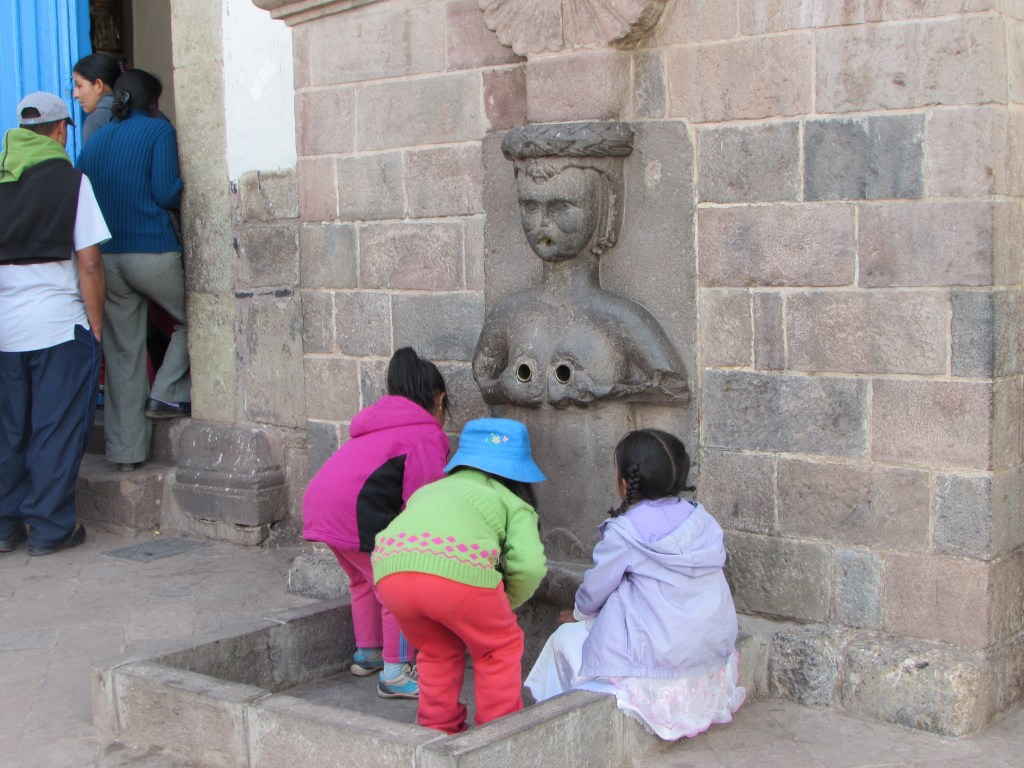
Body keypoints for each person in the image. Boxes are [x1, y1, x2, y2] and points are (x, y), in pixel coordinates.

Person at [525, 429, 744, 740]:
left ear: (625, 483)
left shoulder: (625, 532)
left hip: (660, 662)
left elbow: (595, 590)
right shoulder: (702, 519)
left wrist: (578, 613)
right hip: (710, 650)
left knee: (564, 641)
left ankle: (554, 736)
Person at [372, 417, 548, 734]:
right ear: (519, 474)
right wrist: (507, 600)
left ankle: (437, 732)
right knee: (499, 648)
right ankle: (496, 737)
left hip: (389, 568)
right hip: (457, 570)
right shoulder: (512, 502)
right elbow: (531, 565)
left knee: (437, 651)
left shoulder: (431, 491)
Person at [302, 347, 450, 699]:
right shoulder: (426, 434)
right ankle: (397, 671)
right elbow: (423, 500)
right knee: (398, 586)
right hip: (355, 512)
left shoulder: (375, 423)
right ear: (440, 401)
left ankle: (368, 653)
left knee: (364, 582)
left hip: (322, 505)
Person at [0, 92, 109, 556]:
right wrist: (97, 326)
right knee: (55, 429)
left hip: (6, 331)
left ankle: (4, 527)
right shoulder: (71, 182)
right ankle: (48, 528)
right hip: (59, 328)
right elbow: (89, 264)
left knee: (10, 429)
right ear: (61, 131)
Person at [77, 68, 190, 472]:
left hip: (106, 260)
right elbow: (165, 191)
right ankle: (167, 392)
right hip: (151, 252)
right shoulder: (158, 133)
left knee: (123, 353)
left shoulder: (93, 143)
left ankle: (126, 454)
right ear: (153, 103)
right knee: (198, 318)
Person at [72, 52, 126, 142]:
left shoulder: (95, 122)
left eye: (79, 85)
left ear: (98, 85)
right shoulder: (144, 112)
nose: (75, 95)